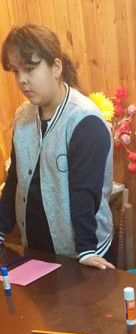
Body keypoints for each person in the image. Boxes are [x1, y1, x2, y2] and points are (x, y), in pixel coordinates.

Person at [0, 24, 115, 269]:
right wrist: (1, 229)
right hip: (37, 247)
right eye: (16, 71)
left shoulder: (85, 120)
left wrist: (86, 250)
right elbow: (15, 181)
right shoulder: (23, 116)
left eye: (29, 69)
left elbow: (84, 192)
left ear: (56, 68)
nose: (21, 80)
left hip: (81, 251)